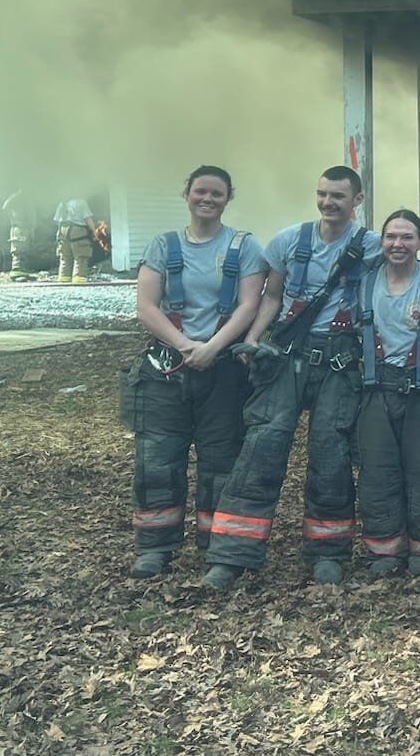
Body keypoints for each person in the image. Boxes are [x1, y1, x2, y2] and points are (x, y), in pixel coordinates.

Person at [203, 166, 383, 590]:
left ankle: (328, 553)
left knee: (331, 453)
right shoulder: (287, 241)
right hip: (288, 356)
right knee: (260, 446)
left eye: (338, 196)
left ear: (356, 200)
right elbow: (272, 297)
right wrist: (252, 340)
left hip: (340, 361)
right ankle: (231, 554)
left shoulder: (372, 246)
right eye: (322, 194)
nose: (328, 203)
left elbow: (410, 267)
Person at [126, 166, 265, 577]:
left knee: (221, 463)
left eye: (216, 193)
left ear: (228, 198)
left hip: (222, 372)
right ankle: (154, 547)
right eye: (200, 191)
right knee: (157, 461)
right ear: (186, 194)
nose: (207, 199)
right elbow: (146, 306)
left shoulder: (244, 246)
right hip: (166, 369)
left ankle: (219, 550)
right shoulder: (162, 245)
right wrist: (186, 345)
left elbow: (248, 305)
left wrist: (212, 348)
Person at [355, 209, 420, 579]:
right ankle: (384, 550)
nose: (398, 244)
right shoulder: (364, 283)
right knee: (377, 473)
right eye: (391, 237)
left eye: (407, 237)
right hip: (375, 390)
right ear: (381, 241)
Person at [54, 196, 97, 283]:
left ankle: (64, 277)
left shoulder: (62, 203)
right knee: (81, 255)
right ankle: (79, 278)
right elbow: (87, 219)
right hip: (77, 230)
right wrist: (94, 232)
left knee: (65, 256)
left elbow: (57, 220)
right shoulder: (81, 202)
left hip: (63, 230)